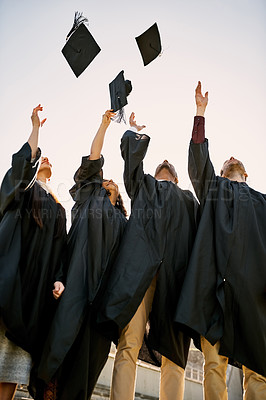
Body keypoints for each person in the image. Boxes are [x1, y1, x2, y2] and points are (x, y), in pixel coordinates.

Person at [174, 82, 266, 400]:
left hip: (255, 295)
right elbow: (199, 163)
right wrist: (200, 113)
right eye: (226, 160)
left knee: (259, 369)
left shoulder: (263, 202)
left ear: (246, 172)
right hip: (215, 291)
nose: (230, 158)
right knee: (214, 367)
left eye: (234, 159)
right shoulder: (215, 190)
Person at [97, 112, 198, 400]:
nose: (164, 162)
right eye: (159, 166)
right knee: (129, 342)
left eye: (169, 166)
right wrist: (132, 131)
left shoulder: (189, 201)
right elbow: (132, 165)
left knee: (174, 353)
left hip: (175, 277)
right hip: (139, 272)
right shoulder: (144, 187)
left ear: (177, 179)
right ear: (154, 175)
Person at [37, 110, 127, 400]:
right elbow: (94, 157)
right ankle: (48, 389)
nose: (109, 181)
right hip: (76, 280)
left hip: (102, 297)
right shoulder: (90, 197)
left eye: (113, 182)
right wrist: (104, 125)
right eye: (105, 179)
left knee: (88, 358)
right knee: (62, 343)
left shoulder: (124, 223)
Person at [0, 105, 67, 400]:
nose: (46, 160)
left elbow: (60, 252)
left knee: (13, 367)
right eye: (41, 159)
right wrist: (36, 129)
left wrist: (59, 279)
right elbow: (20, 169)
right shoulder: (25, 192)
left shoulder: (58, 208)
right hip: (9, 284)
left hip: (33, 297)